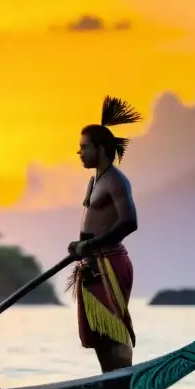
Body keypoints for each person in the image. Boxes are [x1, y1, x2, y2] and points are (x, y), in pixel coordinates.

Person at [67, 95, 141, 373]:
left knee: (113, 326)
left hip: (110, 261)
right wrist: (80, 247)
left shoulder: (117, 181)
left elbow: (129, 222)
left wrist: (93, 244)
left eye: (84, 147)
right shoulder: (93, 180)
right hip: (91, 263)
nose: (80, 153)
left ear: (100, 148)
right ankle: (109, 379)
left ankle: (122, 376)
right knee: (98, 330)